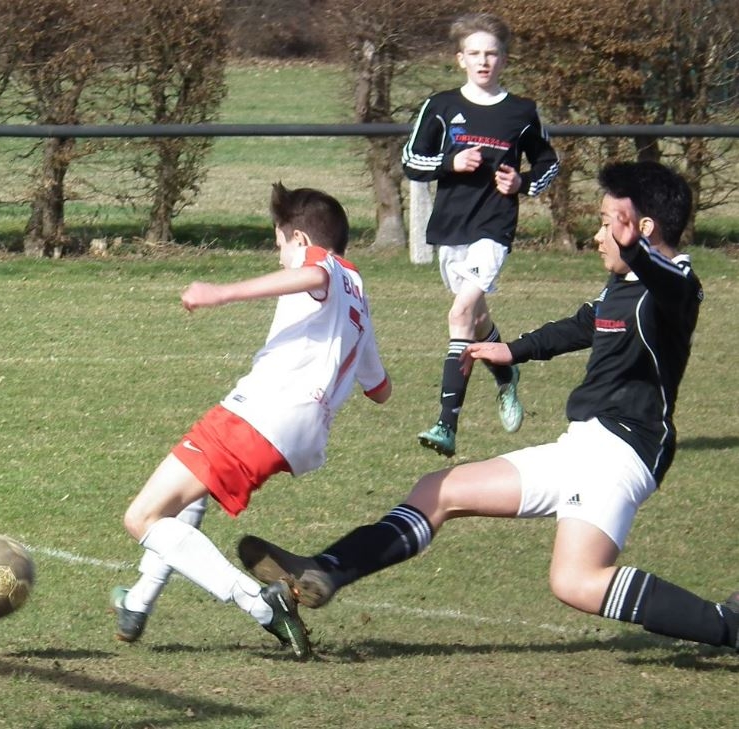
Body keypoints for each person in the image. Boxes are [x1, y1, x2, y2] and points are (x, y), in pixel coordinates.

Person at [238, 161, 739, 654]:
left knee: (576, 581)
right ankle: (326, 569)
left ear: (643, 228)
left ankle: (728, 626)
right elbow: (585, 323)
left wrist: (636, 251)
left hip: (623, 453)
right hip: (585, 445)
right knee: (439, 491)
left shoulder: (677, 287)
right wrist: (511, 350)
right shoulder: (625, 285)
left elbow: (669, 284)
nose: (599, 236)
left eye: (609, 223)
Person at [111, 182, 392, 659]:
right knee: (190, 490)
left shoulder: (319, 267)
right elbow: (380, 389)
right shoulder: (358, 297)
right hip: (302, 433)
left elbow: (311, 274)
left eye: (279, 243)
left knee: (141, 517)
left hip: (261, 414)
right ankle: (138, 602)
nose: (279, 256)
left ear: (300, 239)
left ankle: (261, 605)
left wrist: (221, 293)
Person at [402, 12, 560, 458]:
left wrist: (522, 183)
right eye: (474, 53)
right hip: (451, 227)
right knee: (476, 319)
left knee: (459, 314)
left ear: (504, 59)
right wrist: (450, 163)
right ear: (461, 59)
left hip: (494, 227)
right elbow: (411, 160)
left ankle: (446, 425)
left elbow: (548, 163)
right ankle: (506, 371)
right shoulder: (440, 106)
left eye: (491, 53)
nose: (483, 61)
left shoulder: (521, 111)